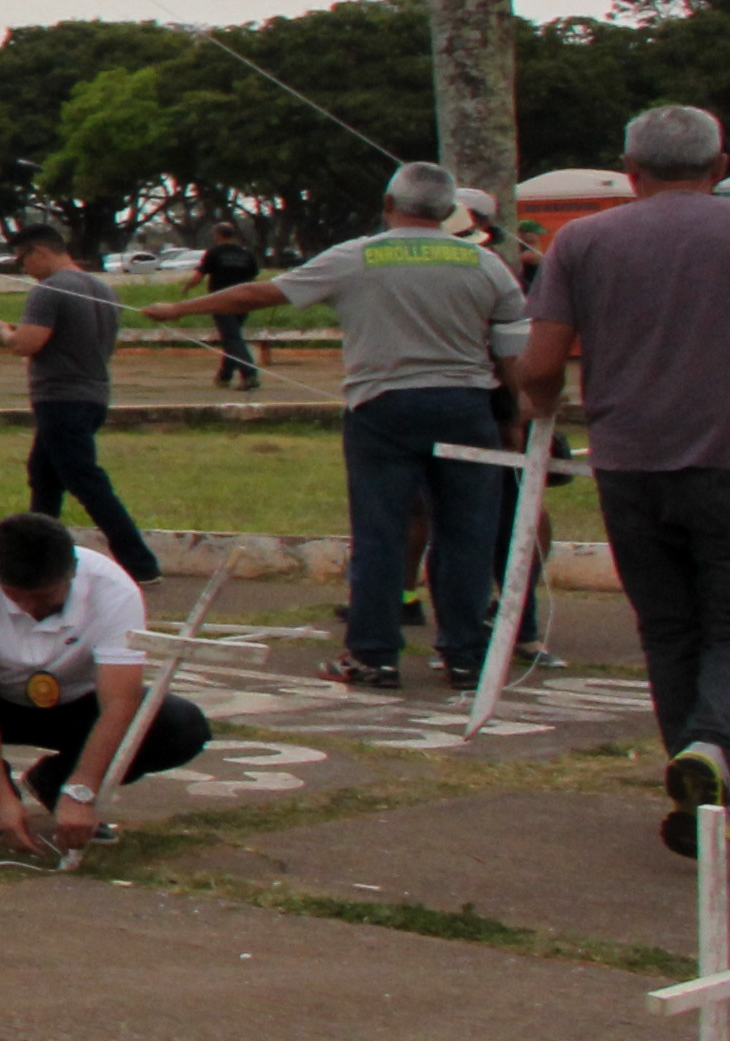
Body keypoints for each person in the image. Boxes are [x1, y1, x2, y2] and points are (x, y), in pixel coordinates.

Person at [150, 164, 521, 690]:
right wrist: (515, 415)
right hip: (466, 405)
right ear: (448, 211)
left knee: (381, 535)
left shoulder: (359, 255)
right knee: (466, 535)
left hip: (382, 406)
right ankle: (465, 655)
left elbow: (258, 295)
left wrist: (179, 308)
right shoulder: (486, 263)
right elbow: (512, 347)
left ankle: (373, 655)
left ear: (390, 201)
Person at [518, 103, 730, 855]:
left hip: (630, 463)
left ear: (631, 173)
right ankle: (713, 746)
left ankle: (696, 786)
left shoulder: (583, 240)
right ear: (720, 165)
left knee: (668, 628)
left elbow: (542, 365)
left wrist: (536, 406)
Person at [0, 510, 210, 857]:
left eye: (44, 597)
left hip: (79, 706)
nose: (29, 607)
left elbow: (120, 702)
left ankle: (57, 784)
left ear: (72, 572)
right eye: (16, 596)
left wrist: (83, 788)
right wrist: (1, 796)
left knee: (182, 725)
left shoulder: (115, 590)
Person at [0, 227, 163, 584]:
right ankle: (37, 560)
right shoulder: (102, 288)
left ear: (38, 252)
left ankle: (140, 563)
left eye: (22, 258)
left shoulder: (49, 289)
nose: (23, 267)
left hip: (61, 397)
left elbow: (27, 344)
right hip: (94, 394)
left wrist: (4, 333)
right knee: (44, 478)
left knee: (86, 481)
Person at [194, 229, 263, 390]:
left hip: (221, 301)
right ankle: (225, 376)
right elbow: (254, 278)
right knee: (233, 337)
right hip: (244, 300)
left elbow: (198, 276)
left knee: (232, 338)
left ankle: (249, 374)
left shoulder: (214, 253)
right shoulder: (246, 254)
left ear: (218, 235)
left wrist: (186, 289)